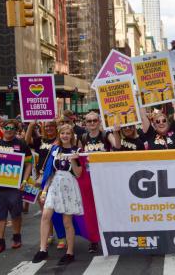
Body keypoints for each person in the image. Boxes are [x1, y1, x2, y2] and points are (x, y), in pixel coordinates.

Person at [32, 124, 84, 265]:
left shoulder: (77, 151)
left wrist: (73, 159)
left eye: (68, 133)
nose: (65, 136)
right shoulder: (55, 149)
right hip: (54, 185)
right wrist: (44, 191)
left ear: (72, 135)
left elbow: (78, 173)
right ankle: (42, 249)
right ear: (59, 135)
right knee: (45, 216)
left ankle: (70, 252)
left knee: (67, 221)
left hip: (69, 186)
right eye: (62, 133)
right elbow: (50, 172)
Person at [0, 119, 32, 253]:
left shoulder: (22, 144)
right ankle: (0, 242)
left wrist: (25, 181)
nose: (8, 130)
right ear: (2, 128)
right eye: (6, 127)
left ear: (16, 130)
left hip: (15, 187)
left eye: (12, 128)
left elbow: (29, 164)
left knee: (16, 213)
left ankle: (16, 237)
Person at [78, 111, 120, 253]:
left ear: (99, 121)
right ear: (85, 123)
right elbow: (79, 158)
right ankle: (94, 240)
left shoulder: (106, 135)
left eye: (94, 120)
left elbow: (118, 146)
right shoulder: (83, 138)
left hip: (105, 178)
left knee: (108, 207)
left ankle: (112, 236)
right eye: (89, 121)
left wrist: (116, 132)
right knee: (90, 210)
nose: (92, 123)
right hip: (89, 179)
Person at [25, 120, 65, 248]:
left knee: (57, 209)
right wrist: (31, 125)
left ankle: (62, 237)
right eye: (46, 126)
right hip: (41, 179)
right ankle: (49, 235)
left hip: (55, 178)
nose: (48, 129)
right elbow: (26, 142)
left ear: (55, 127)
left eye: (51, 126)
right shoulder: (40, 141)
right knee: (45, 210)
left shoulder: (60, 141)